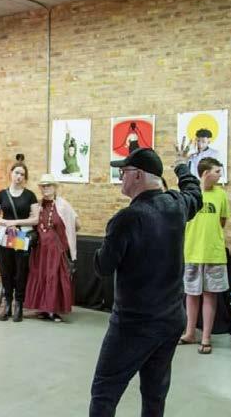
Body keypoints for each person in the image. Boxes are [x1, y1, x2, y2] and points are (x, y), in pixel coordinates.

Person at [90, 147, 202, 417]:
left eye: (123, 172)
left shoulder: (126, 219)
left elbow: (103, 267)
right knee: (155, 393)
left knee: (104, 392)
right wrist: (182, 166)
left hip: (133, 325)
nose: (120, 177)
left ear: (138, 175)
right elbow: (195, 193)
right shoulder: (176, 205)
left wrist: (106, 242)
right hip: (171, 320)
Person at [178, 158, 229, 354]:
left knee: (210, 295)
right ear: (206, 173)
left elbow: (222, 221)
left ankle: (206, 336)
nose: (219, 175)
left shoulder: (221, 195)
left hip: (213, 253)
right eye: (217, 171)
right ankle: (190, 332)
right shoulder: (190, 194)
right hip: (191, 251)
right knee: (191, 294)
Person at [25, 174, 79, 322]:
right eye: (43, 186)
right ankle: (43, 309)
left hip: (55, 250)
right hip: (40, 249)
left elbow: (76, 223)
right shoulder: (37, 205)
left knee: (53, 277)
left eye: (48, 185)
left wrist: (67, 233)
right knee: (40, 276)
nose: (45, 188)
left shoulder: (63, 205)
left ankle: (53, 310)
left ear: (55, 187)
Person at [0, 156, 39, 322]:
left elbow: (35, 219)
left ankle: (18, 304)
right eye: (17, 173)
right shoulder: (1, 194)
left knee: (20, 271)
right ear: (11, 173)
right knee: (6, 271)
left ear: (25, 178)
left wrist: (15, 222)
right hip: (5, 234)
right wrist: (7, 223)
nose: (19, 176)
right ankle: (7, 304)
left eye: (22, 174)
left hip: (20, 235)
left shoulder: (30, 195)